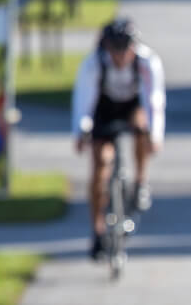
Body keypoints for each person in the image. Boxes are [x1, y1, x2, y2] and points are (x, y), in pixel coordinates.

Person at [71, 18, 166, 260]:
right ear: (107, 47)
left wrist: (154, 135)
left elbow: (153, 101)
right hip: (104, 108)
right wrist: (81, 132)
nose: (121, 55)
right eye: (116, 49)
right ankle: (97, 232)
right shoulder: (94, 63)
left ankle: (141, 183)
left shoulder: (146, 62)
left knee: (141, 127)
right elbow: (84, 101)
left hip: (132, 106)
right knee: (101, 163)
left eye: (126, 49)